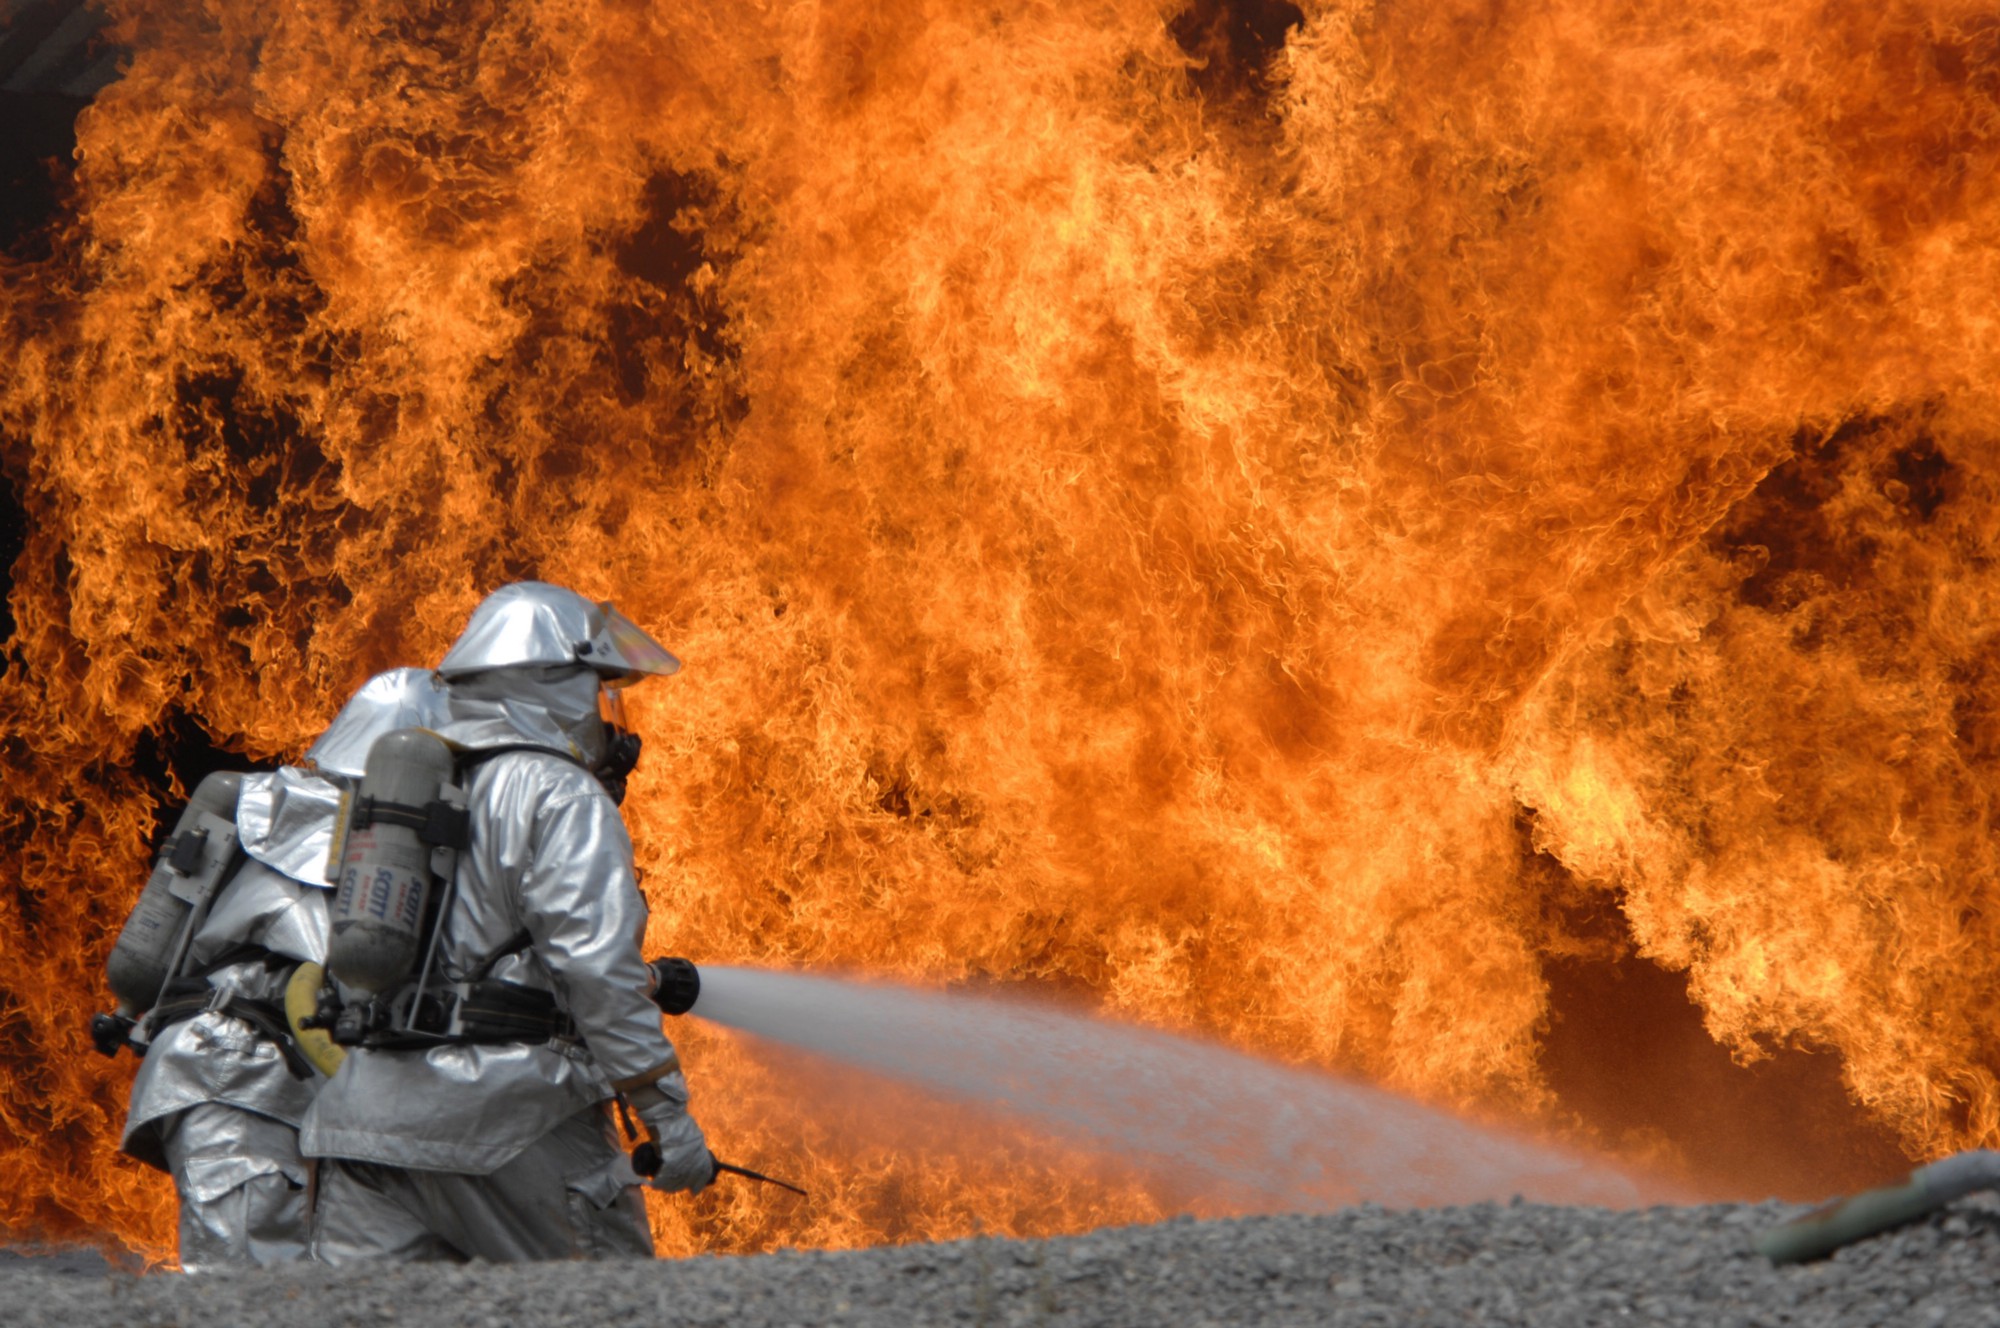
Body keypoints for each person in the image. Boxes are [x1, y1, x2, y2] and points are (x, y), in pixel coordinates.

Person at [301, 582, 710, 1264]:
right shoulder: (558, 792)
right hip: (514, 1122)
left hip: (365, 1120)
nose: (609, 715)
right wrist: (665, 1115)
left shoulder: (406, 788)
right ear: (554, 686)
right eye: (597, 688)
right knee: (612, 1308)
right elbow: (595, 968)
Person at [114, 668, 446, 1270]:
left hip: (246, 1071)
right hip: (240, 1076)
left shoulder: (263, 801)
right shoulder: (385, 846)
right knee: (242, 1296)